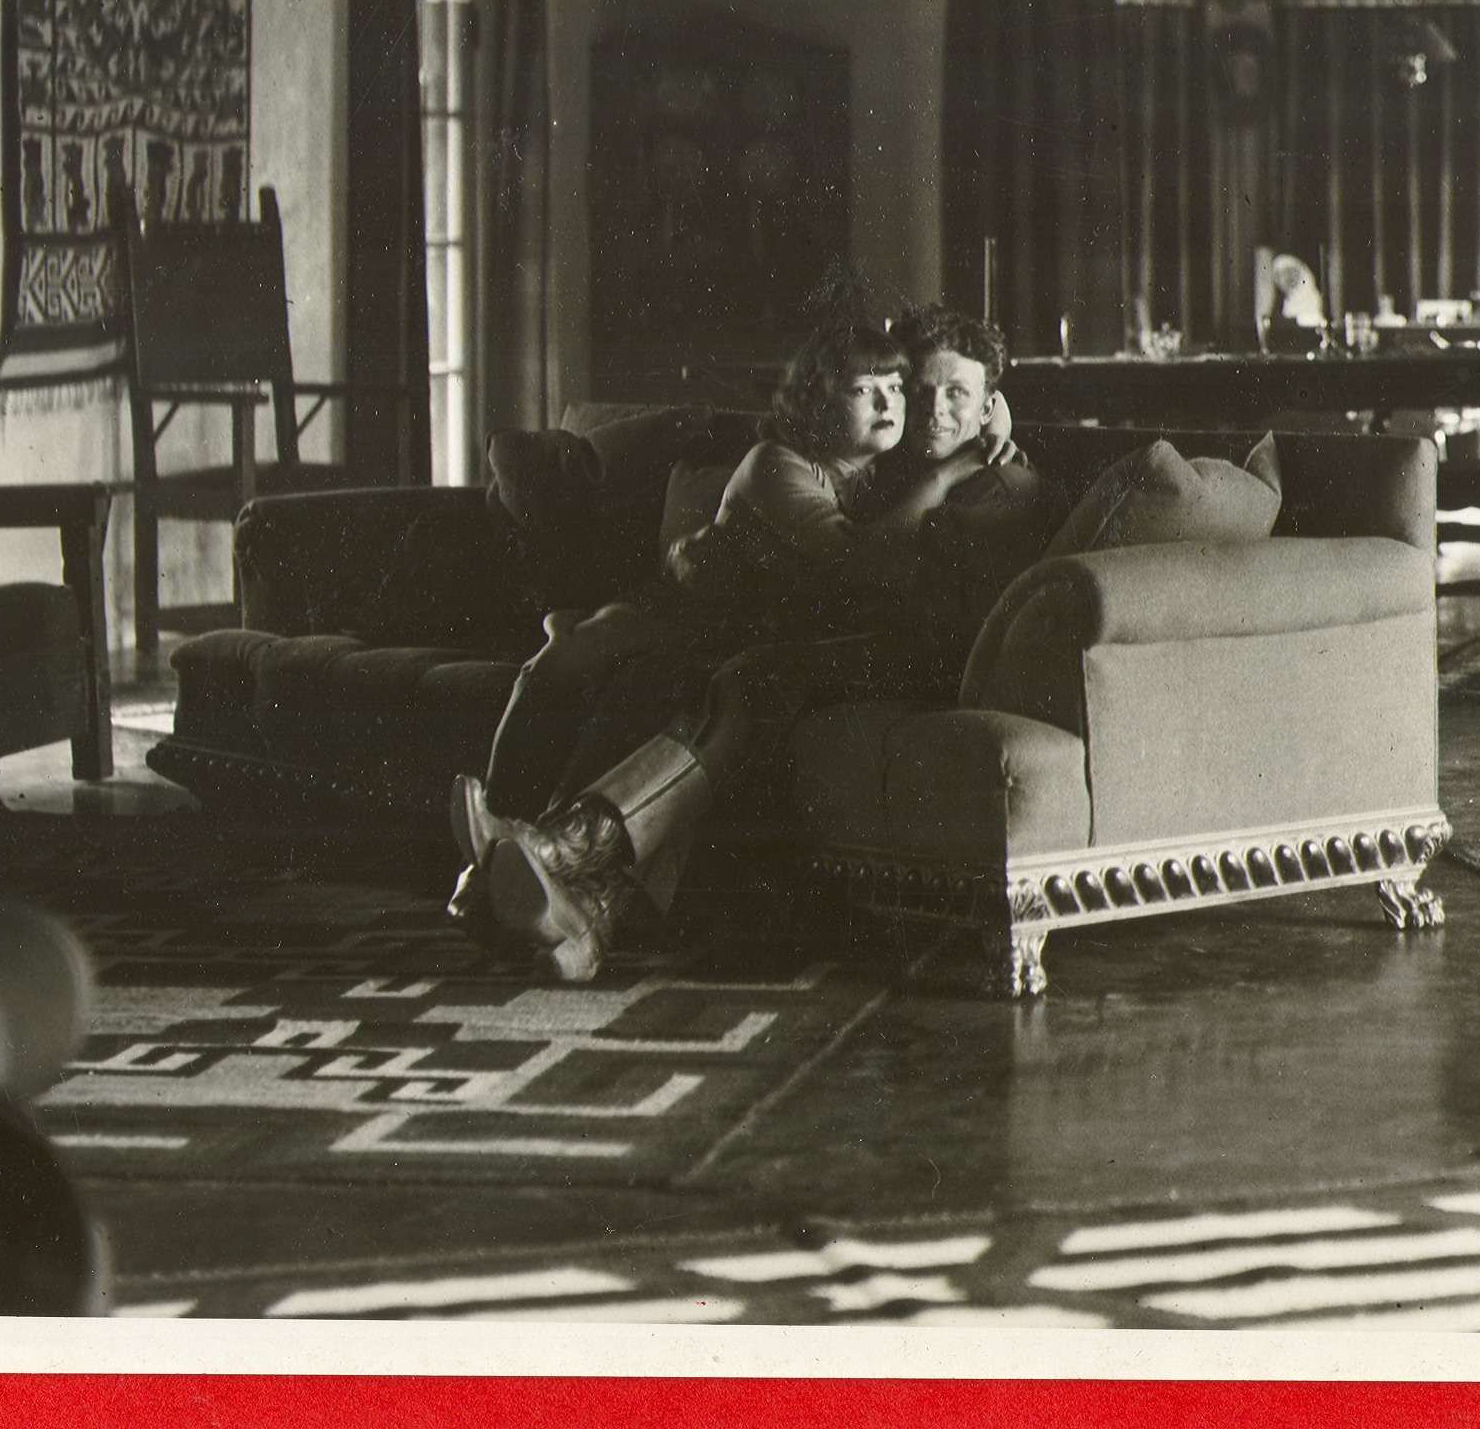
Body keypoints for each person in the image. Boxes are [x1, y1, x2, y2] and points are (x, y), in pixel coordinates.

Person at [452, 308, 1054, 981]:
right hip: (753, 632)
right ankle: (568, 902)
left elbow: (892, 586)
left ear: (990, 405)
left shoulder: (999, 480)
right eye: (921, 392)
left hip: (917, 659)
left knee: (729, 680)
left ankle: (555, 859)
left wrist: (971, 454)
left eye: (959, 395)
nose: (931, 410)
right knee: (646, 671)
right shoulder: (871, 472)